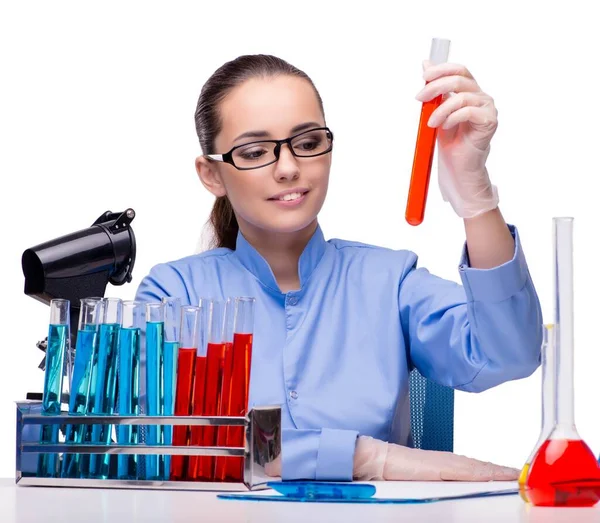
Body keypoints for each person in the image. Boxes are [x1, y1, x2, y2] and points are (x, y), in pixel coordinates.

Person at [135, 53, 542, 482]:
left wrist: (474, 194)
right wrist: (364, 457)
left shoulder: (390, 281)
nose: (289, 168)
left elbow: (510, 352)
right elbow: (171, 444)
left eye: (308, 144)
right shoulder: (175, 294)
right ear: (212, 175)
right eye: (255, 152)